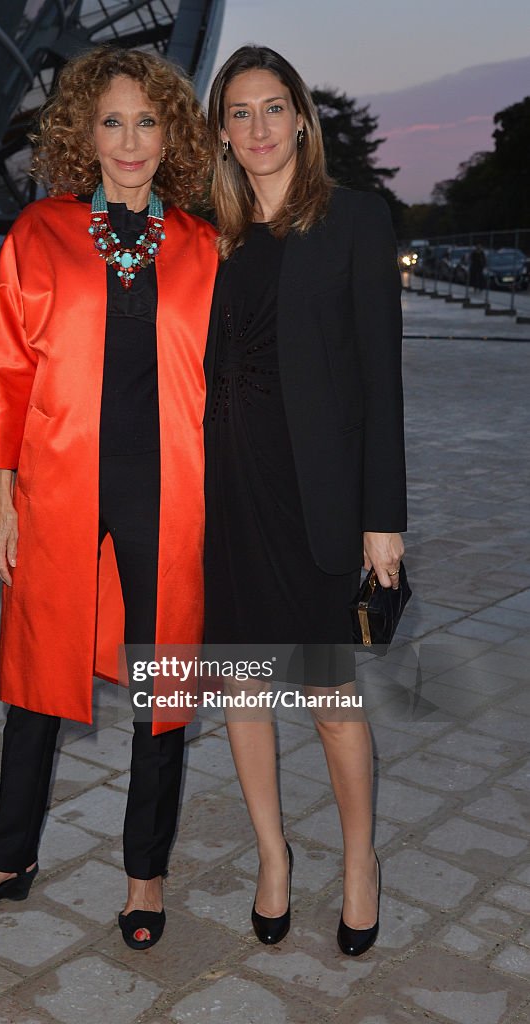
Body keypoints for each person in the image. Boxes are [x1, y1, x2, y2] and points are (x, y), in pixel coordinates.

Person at [0, 46, 218, 951]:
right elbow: (8, 372)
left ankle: (145, 875)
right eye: (110, 121)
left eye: (146, 121)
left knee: (163, 680)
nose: (129, 140)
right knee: (33, 677)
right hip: (57, 486)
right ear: (81, 132)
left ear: (169, 132)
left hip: (171, 491)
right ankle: (9, 856)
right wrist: (2, 497)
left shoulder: (204, 245)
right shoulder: (40, 232)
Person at [204, 46, 407, 956]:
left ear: (301, 119)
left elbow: (380, 382)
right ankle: (273, 857)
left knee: (329, 698)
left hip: (318, 504)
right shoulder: (205, 232)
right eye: (239, 113)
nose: (258, 129)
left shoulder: (357, 220)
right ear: (220, 130)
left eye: (273, 108)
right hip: (228, 502)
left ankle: (360, 861)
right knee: (244, 693)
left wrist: (384, 520)